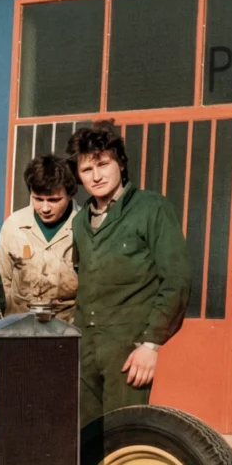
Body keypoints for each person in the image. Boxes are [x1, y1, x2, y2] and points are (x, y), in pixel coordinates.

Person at [66, 121, 191, 425]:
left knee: (124, 435)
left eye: (103, 164)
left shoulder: (152, 209)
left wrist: (150, 345)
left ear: (120, 163)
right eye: (86, 170)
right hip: (86, 348)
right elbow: (85, 282)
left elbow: (177, 280)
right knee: (82, 441)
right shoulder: (80, 222)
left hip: (127, 350)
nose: (96, 176)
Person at [0, 154, 79, 322]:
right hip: (19, 330)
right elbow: (2, 283)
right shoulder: (13, 226)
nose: (45, 208)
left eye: (54, 200)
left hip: (68, 333)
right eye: (38, 199)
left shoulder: (85, 227)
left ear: (70, 194)